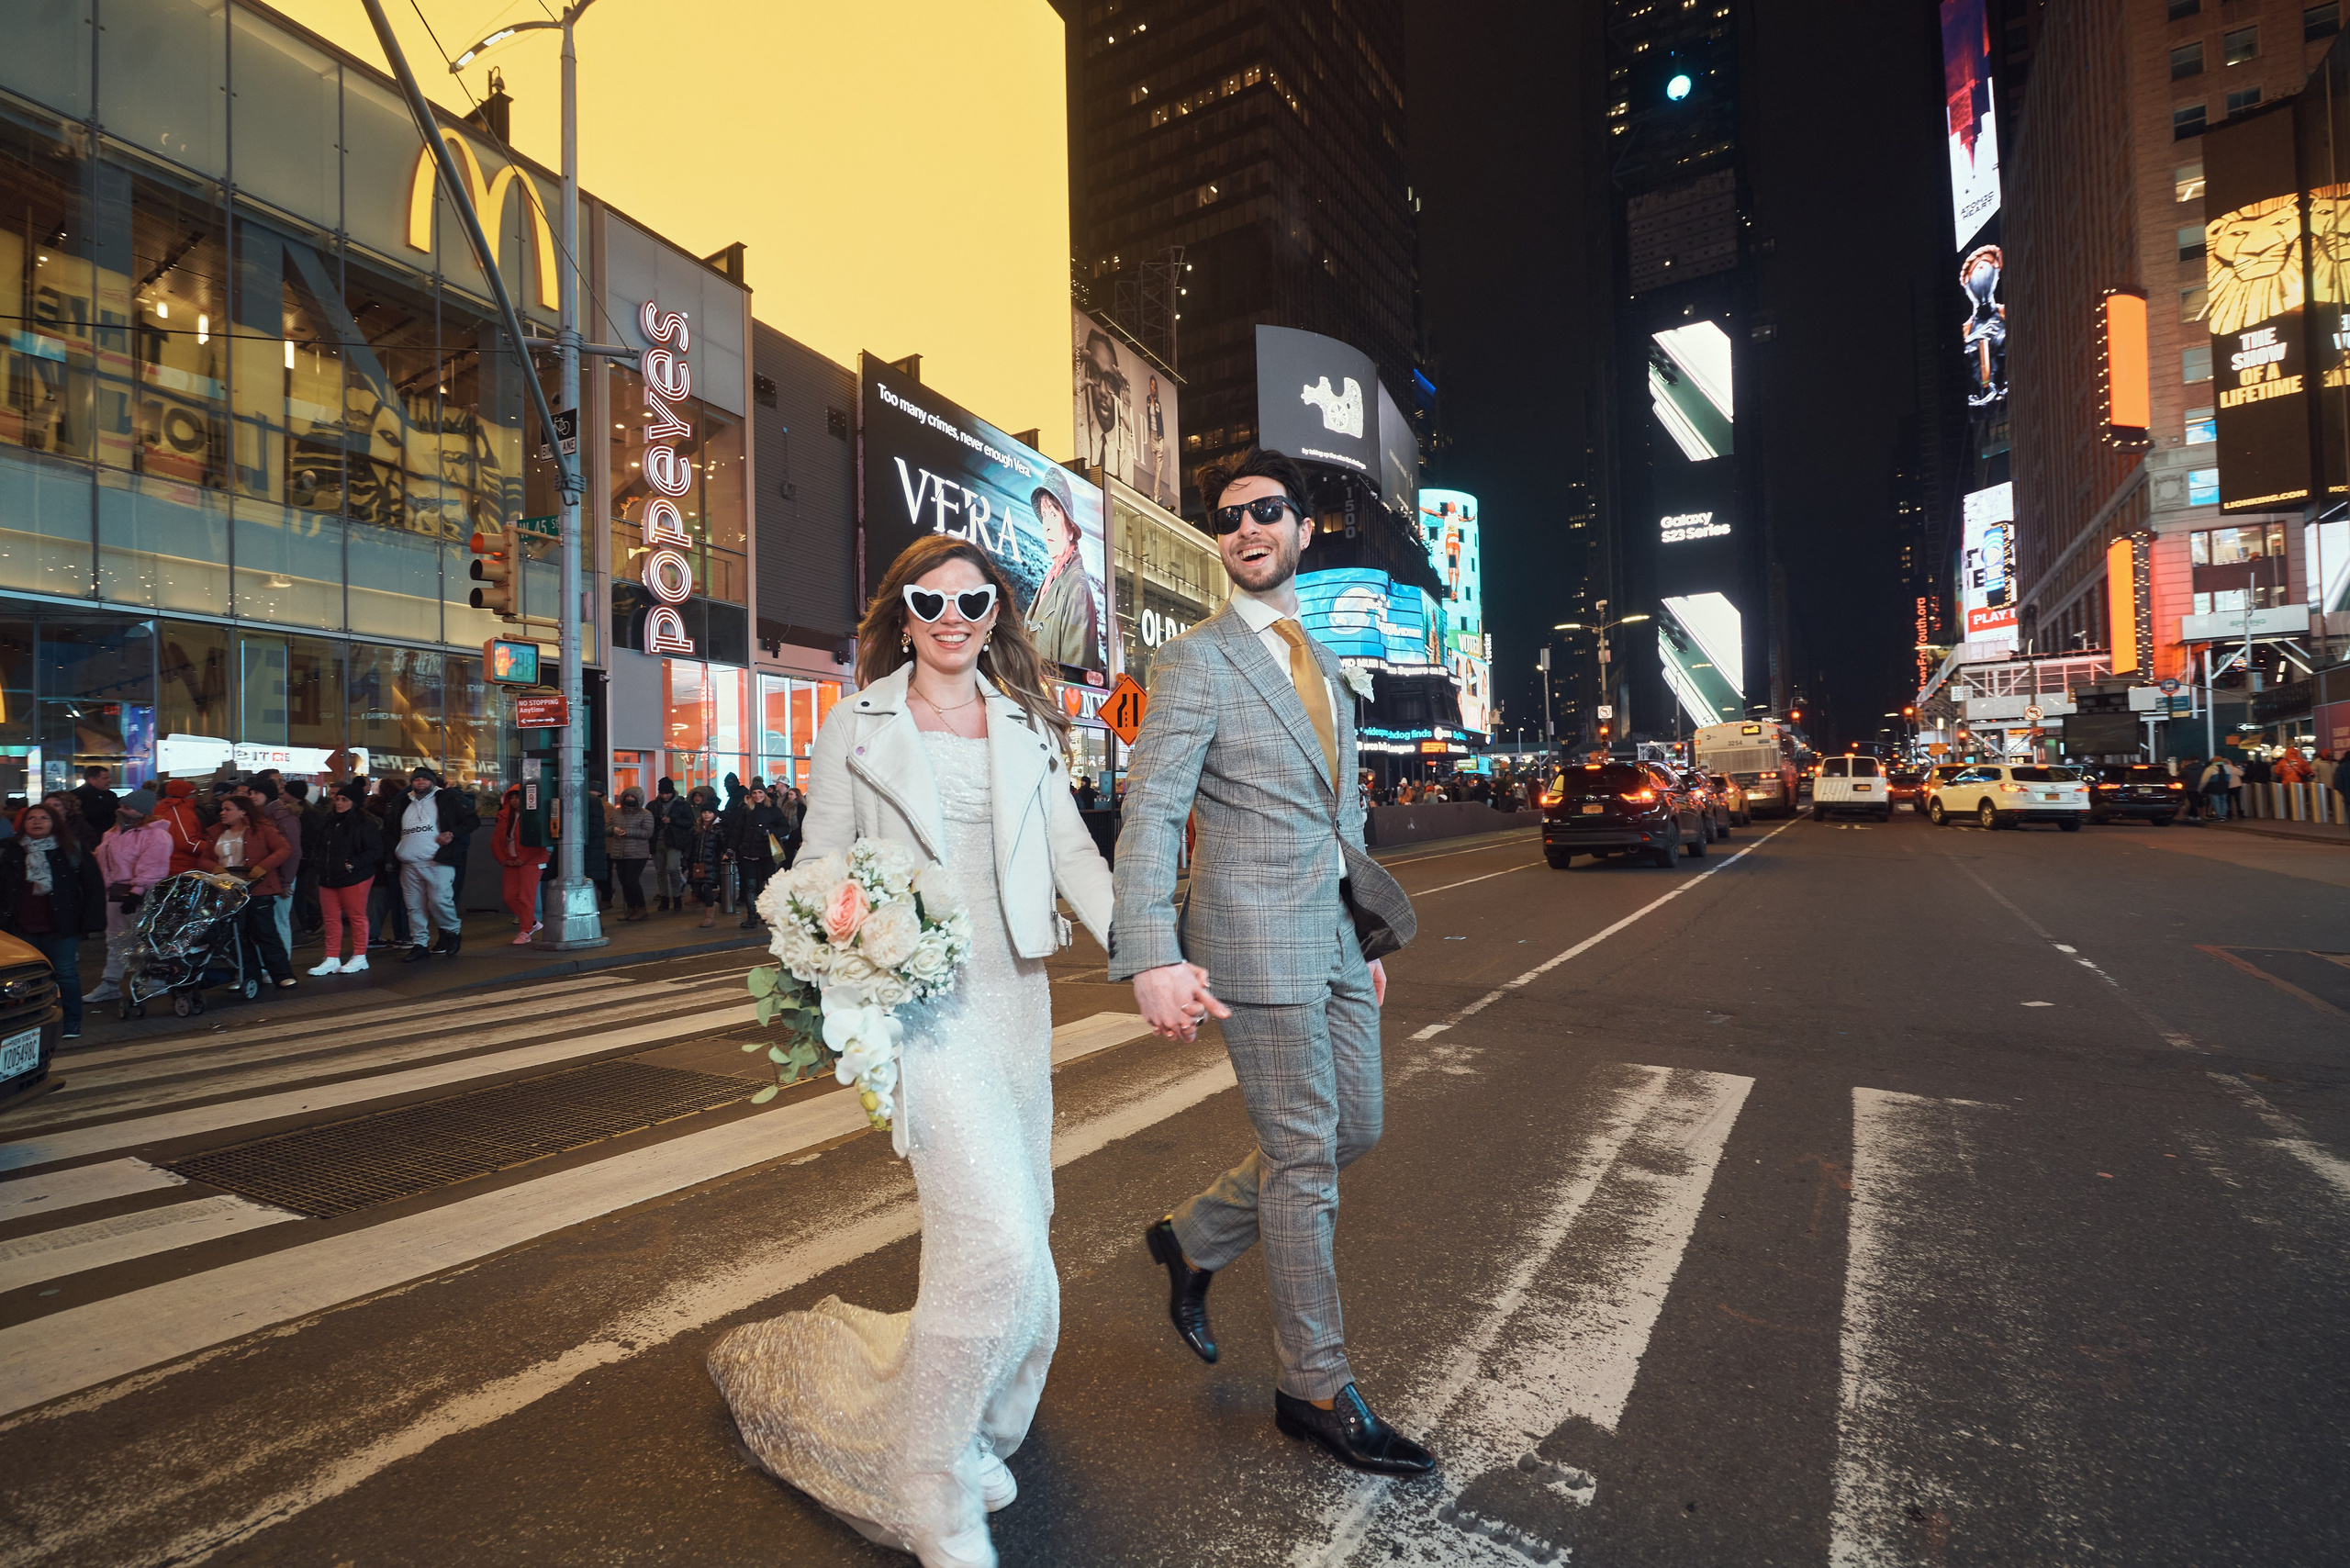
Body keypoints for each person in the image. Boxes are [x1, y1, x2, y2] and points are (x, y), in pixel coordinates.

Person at [708, 532, 1113, 1568]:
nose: (950, 619)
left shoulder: (1026, 722)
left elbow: (1073, 854)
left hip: (1016, 1000)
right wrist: (840, 958)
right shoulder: (857, 720)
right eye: (928, 604)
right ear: (901, 615)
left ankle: (972, 1424)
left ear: (994, 613)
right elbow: (818, 864)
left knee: (1025, 1224)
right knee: (997, 1237)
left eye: (971, 601)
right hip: (920, 1004)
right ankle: (930, 1485)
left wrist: (1150, 949)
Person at [1110, 447, 1432, 1478]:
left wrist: (1361, 934)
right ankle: (1316, 1386)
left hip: (1333, 934)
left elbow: (1342, 814)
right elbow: (1153, 809)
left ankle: (1194, 1240)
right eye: (1228, 519)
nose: (1245, 530)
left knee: (1361, 1128)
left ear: (1303, 529)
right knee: (1303, 1158)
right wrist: (1150, 950)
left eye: (1265, 512)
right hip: (1250, 937)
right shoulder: (1195, 661)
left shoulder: (1323, 659)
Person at [0, 803, 106, 1037]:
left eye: (44, 818)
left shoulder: (71, 848)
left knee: (66, 974)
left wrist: (92, 921)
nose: (37, 822)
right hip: (20, 926)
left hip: (60, 926)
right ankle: (27, 1025)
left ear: (54, 822)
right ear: (23, 823)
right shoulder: (10, 849)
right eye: (32, 818)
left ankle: (71, 1023)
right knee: (21, 981)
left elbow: (92, 886)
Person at [197, 793, 295, 990]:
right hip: (228, 892)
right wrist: (215, 869)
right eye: (222, 809)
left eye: (227, 809)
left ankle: (282, 974)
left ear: (242, 811)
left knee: (265, 932)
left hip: (257, 888)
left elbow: (284, 849)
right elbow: (203, 859)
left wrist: (263, 867)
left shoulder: (262, 829)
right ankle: (248, 976)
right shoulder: (215, 832)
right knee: (235, 935)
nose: (222, 813)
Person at [84, 791, 173, 1006]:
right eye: (122, 805)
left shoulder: (156, 836)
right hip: (115, 893)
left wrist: (137, 892)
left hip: (137, 895)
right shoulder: (113, 833)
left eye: (128, 807)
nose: (121, 810)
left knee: (144, 940)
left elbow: (153, 866)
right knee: (115, 939)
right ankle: (111, 982)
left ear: (142, 812)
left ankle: (153, 980)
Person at [1024, 466, 1102, 671]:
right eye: (1044, 515)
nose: (1046, 525)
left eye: (1053, 514)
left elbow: (1075, 677)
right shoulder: (1054, 576)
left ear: (1070, 528)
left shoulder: (1077, 586)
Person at [394, 767, 476, 961]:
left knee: (439, 900)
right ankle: (419, 944)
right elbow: (391, 827)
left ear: (433, 781)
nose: (420, 782)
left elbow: (472, 820)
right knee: (414, 906)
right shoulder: (404, 802)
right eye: (416, 779)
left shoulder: (446, 798)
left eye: (425, 779)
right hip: (409, 862)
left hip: (437, 860)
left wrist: (452, 833)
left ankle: (452, 931)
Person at [309, 782, 383, 975]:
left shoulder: (364, 823)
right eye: (337, 799)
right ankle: (332, 957)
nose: (338, 802)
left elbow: (375, 850)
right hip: (330, 876)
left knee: (356, 917)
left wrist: (352, 864)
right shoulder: (330, 821)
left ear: (354, 802)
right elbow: (319, 847)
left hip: (354, 876)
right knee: (331, 918)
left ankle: (359, 956)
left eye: (344, 799)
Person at [491, 785, 549, 945]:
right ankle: (531, 923)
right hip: (511, 861)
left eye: (518, 797)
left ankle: (525, 931)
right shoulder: (504, 816)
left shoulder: (536, 816)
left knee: (526, 897)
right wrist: (503, 859)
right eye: (512, 797)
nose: (515, 801)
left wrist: (522, 858)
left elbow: (537, 841)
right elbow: (496, 841)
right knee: (509, 897)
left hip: (531, 861)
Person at [726, 782, 785, 930]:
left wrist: (770, 831)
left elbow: (785, 827)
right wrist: (730, 850)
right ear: (750, 795)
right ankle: (752, 916)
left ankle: (766, 913)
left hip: (766, 853)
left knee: (766, 885)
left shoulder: (773, 810)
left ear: (765, 794)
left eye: (760, 792)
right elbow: (737, 831)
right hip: (748, 853)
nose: (757, 795)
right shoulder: (746, 810)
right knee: (750, 885)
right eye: (754, 793)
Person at [610, 787, 655, 922]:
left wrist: (627, 832)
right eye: (627, 797)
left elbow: (647, 833)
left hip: (637, 853)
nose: (629, 800)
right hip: (619, 851)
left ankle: (641, 908)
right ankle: (630, 908)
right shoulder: (617, 813)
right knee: (623, 881)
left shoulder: (646, 814)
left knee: (632, 880)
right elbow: (607, 827)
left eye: (632, 798)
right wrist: (613, 829)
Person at [653, 778, 693, 912]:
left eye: (667, 793)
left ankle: (676, 897)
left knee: (673, 868)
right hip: (657, 841)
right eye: (662, 793)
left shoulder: (682, 805)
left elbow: (689, 822)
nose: (665, 796)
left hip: (675, 841)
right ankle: (664, 898)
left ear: (672, 792)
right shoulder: (653, 805)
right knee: (660, 872)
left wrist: (672, 821)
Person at [683, 803, 725, 929]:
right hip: (696, 863)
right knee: (696, 888)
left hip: (711, 863)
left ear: (714, 814)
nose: (707, 815)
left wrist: (726, 854)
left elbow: (723, 845)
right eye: (704, 812)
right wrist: (685, 860)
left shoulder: (717, 829)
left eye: (709, 812)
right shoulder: (696, 829)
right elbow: (689, 846)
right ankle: (712, 901)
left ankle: (709, 917)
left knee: (707, 887)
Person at [70, 765, 118, 846]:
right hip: (86, 841)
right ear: (92, 780)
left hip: (110, 841)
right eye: (105, 778)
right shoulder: (75, 796)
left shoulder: (111, 795)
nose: (110, 781)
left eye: (109, 778)